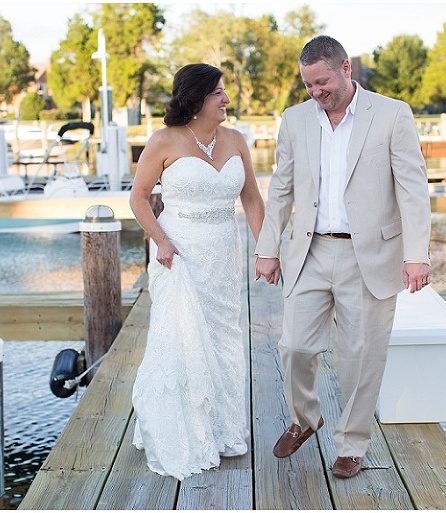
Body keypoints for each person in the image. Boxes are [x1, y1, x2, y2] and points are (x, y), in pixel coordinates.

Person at [254, 36, 431, 479]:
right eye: (309, 85)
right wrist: (267, 248)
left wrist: (417, 255)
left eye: (322, 82)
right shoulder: (295, 120)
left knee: (361, 356)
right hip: (309, 251)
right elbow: (281, 188)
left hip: (369, 253)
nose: (316, 92)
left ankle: (352, 445)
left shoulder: (392, 114)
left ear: (345, 68)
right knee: (294, 346)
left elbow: (412, 188)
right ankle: (305, 418)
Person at [129, 63, 265, 480]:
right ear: (197, 97)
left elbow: (254, 202)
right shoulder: (163, 141)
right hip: (179, 253)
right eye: (219, 93)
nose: (227, 99)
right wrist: (162, 242)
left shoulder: (237, 140)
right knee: (182, 337)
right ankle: (187, 431)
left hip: (224, 253)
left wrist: (269, 251)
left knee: (223, 337)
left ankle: (224, 431)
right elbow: (137, 199)